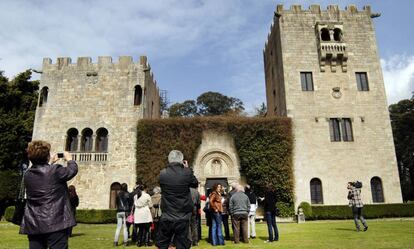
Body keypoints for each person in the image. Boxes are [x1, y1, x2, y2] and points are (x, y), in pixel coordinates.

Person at [20, 140, 78, 249]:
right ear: (47, 155)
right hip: (55, 222)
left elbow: (43, 174)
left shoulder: (28, 174)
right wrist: (70, 160)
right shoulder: (55, 170)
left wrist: (50, 163)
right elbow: (72, 171)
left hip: (34, 222)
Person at [157, 150, 198, 249]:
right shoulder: (186, 173)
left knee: (162, 244)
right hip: (182, 217)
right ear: (181, 160)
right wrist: (188, 169)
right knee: (182, 245)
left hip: (167, 215)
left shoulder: (162, 174)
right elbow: (195, 183)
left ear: (169, 160)